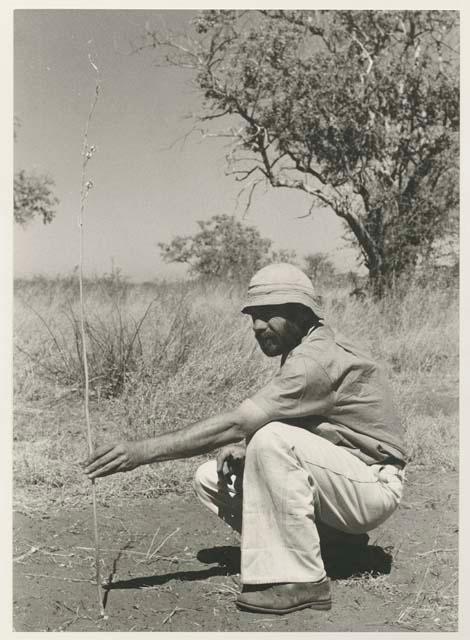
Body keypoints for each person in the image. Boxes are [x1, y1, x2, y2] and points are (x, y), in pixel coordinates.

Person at [83, 263, 406, 615]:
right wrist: (248, 449)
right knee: (212, 477)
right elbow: (322, 427)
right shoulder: (310, 344)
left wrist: (140, 452)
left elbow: (238, 423)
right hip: (347, 482)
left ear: (301, 313)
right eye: (253, 315)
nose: (256, 326)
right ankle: (339, 547)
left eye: (268, 315)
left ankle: (303, 581)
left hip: (372, 485)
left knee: (269, 438)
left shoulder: (312, 362)